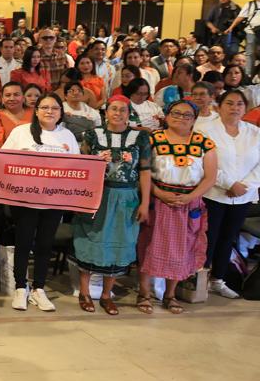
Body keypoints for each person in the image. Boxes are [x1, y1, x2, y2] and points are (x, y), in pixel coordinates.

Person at [137, 100, 219, 314]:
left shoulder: (204, 143)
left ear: (194, 119)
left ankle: (170, 295)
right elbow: (142, 172)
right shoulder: (152, 139)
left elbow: (210, 177)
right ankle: (144, 293)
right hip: (158, 199)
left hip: (189, 202)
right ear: (166, 115)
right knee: (148, 245)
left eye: (186, 115)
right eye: (176, 113)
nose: (180, 118)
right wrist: (159, 193)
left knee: (183, 249)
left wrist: (190, 196)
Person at [72, 97, 152, 315]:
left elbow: (145, 171)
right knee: (91, 239)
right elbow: (82, 168)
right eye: (113, 109)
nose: (118, 113)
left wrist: (145, 202)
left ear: (129, 113)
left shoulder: (141, 137)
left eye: (123, 110)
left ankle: (107, 295)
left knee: (120, 242)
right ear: (106, 112)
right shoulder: (92, 135)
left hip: (127, 198)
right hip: (97, 196)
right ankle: (85, 292)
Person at [2, 93, 80, 311]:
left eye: (54, 108)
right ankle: (21, 287)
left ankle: (38, 288)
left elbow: (78, 168)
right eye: (44, 107)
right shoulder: (21, 132)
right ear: (36, 111)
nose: (49, 111)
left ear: (61, 112)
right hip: (25, 200)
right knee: (23, 243)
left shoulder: (67, 136)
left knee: (45, 245)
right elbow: (4, 160)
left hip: (54, 201)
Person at [195, 89, 260, 299]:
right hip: (213, 193)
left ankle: (218, 280)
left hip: (243, 196)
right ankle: (199, 279)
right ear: (219, 106)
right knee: (208, 237)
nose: (235, 108)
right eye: (230, 103)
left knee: (228, 238)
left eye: (240, 104)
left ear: (246, 108)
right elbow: (202, 161)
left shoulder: (254, 132)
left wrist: (244, 185)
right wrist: (229, 183)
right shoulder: (205, 130)